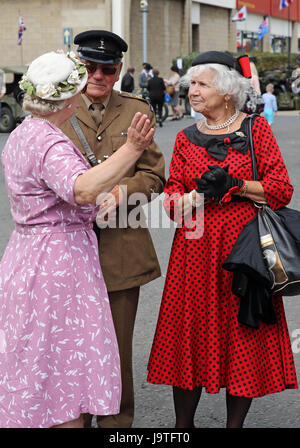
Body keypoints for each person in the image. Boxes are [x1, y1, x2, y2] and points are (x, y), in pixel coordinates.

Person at [0, 50, 154, 428]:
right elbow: (82, 189)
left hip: (30, 254)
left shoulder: (25, 132)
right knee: (66, 363)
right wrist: (132, 148)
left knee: (44, 360)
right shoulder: (49, 141)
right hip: (58, 264)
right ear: (67, 97)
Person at [147, 51, 297, 428]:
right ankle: (183, 427)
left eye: (201, 84)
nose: (192, 92)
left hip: (244, 253)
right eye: (191, 85)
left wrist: (238, 185)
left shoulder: (255, 130)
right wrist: (202, 194)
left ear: (227, 92)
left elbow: (280, 191)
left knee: (242, 337)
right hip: (194, 255)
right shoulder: (184, 138)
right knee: (188, 338)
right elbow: (171, 204)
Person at [60, 30, 165, 429]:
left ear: (119, 70)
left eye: (107, 68)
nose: (99, 76)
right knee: (71, 352)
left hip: (121, 252)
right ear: (79, 66)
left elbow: (155, 176)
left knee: (116, 352)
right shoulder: (59, 108)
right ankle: (75, 419)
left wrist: (126, 191)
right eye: (90, 67)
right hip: (68, 253)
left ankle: (117, 427)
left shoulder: (137, 109)